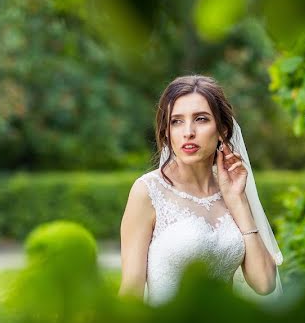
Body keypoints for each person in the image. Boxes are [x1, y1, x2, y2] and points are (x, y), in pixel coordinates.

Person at [118, 75, 284, 306]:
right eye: (176, 121)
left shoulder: (232, 193)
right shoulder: (148, 191)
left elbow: (265, 283)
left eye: (201, 119)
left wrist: (238, 201)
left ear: (222, 130)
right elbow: (131, 292)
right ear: (166, 132)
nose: (188, 132)